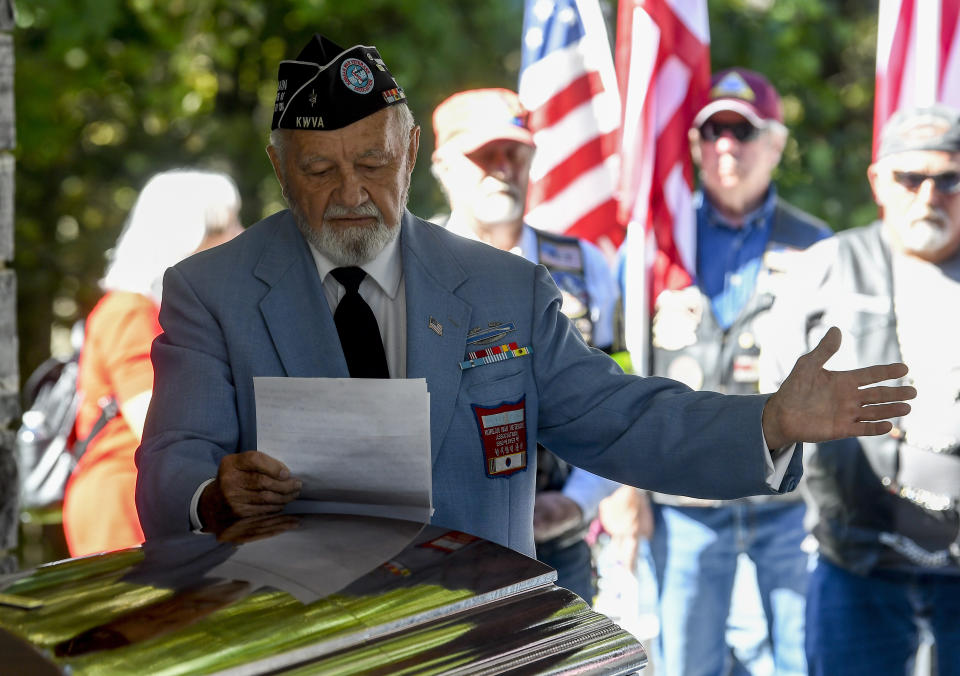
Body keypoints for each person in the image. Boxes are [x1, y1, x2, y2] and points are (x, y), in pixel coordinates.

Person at [134, 34, 915, 566]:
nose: (351, 194)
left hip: (476, 639)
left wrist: (768, 420)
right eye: (319, 170)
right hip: (299, 643)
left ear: (410, 155)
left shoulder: (505, 288)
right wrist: (214, 495)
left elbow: (620, 418)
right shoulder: (213, 291)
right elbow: (172, 462)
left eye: (372, 163)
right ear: (278, 165)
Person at [639, 68, 832, 676]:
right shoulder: (658, 240)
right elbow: (615, 361)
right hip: (685, 495)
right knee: (687, 663)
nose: (727, 145)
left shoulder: (816, 245)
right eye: (713, 130)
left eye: (743, 131)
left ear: (775, 143)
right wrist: (623, 488)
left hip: (786, 498)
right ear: (695, 144)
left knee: (804, 658)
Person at [767, 104, 960, 676]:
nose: (929, 195)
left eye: (949, 178)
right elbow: (772, 402)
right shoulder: (825, 267)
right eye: (910, 178)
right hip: (857, 560)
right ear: (879, 181)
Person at [430, 87, 619, 602]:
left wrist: (580, 501)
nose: (501, 168)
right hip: (447, 549)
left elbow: (615, 399)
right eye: (482, 156)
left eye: (513, 153)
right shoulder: (408, 269)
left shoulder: (582, 267)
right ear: (443, 166)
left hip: (558, 542)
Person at [63, 170, 243, 556]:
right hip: (126, 511)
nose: (240, 236)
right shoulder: (131, 313)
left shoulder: (161, 312)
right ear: (190, 238)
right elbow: (158, 425)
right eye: (229, 225)